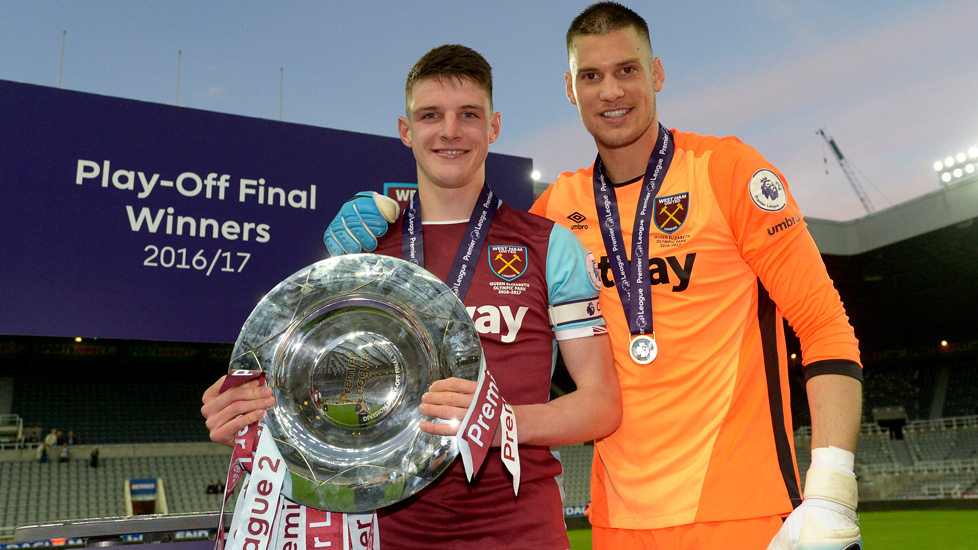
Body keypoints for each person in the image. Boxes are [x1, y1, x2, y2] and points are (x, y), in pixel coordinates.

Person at [322, 4, 864, 549]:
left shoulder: (726, 171)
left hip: (744, 511)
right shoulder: (560, 209)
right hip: (617, 522)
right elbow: (473, 232)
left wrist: (832, 488)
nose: (610, 91)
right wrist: (391, 210)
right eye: (591, 75)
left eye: (627, 70)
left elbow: (824, 324)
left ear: (656, 74)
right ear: (570, 88)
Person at [202, 44, 621, 549]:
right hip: (384, 531)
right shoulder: (363, 248)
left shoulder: (549, 244)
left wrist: (502, 422)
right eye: (430, 115)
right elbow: (303, 380)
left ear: (494, 127)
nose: (450, 131)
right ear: (406, 130)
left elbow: (602, 405)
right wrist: (244, 411)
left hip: (519, 528)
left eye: (469, 114)